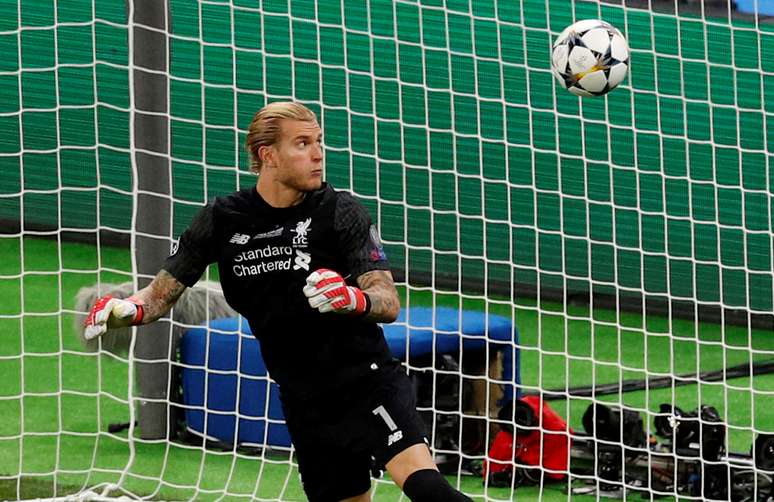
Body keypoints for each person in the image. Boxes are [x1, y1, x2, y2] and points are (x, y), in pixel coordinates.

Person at [84, 102, 473, 502]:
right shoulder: (222, 219)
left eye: (319, 141)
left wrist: (350, 298)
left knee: (427, 488)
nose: (318, 153)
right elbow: (158, 297)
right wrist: (124, 310)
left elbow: (387, 301)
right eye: (302, 143)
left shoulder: (341, 211)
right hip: (304, 398)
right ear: (267, 155)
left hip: (367, 382)